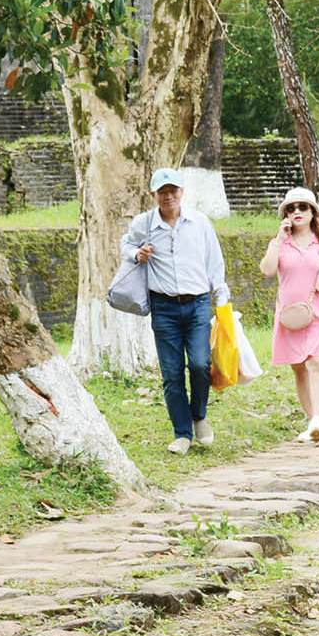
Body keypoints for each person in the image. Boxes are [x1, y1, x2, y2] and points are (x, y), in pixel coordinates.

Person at [122, 168, 232, 455]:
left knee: (199, 364)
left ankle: (199, 416)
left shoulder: (199, 222)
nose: (168, 197)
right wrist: (137, 254)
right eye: (162, 192)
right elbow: (125, 245)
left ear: (181, 192)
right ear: (154, 195)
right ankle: (181, 433)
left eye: (173, 191)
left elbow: (214, 261)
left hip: (197, 304)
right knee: (171, 373)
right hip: (164, 307)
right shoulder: (144, 224)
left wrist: (221, 298)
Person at [260, 187, 319, 443]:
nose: (297, 212)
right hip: (289, 314)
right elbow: (266, 270)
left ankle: (318, 418)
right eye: (291, 208)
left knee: (318, 362)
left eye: (303, 207)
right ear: (285, 214)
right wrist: (278, 238)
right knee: (299, 368)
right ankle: (312, 421)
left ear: (313, 212)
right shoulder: (279, 243)